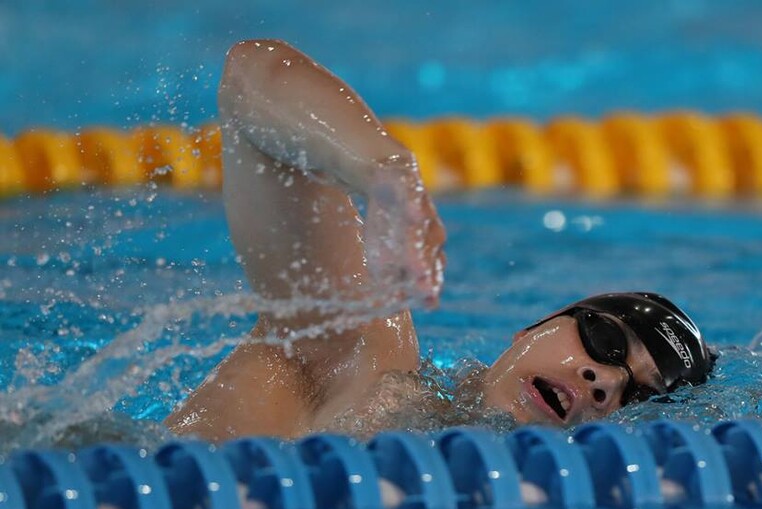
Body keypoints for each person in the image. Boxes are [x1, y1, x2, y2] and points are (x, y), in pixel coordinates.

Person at [164, 40, 714, 441]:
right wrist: (383, 169)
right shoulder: (362, 362)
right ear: (537, 326)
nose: (604, 382)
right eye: (607, 342)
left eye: (639, 396)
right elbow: (251, 75)